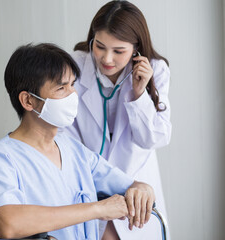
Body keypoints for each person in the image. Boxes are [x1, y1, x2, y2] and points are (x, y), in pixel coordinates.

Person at [0, 43, 155, 240]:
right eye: (61, 88)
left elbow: (130, 185)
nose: (73, 95)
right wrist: (98, 209)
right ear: (28, 101)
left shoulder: (72, 148)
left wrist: (143, 190)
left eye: (72, 84)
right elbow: (8, 224)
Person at [63, 1, 172, 239]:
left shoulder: (156, 70)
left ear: (136, 49)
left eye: (119, 51)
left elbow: (154, 138)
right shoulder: (75, 66)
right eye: (100, 46)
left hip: (138, 188)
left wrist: (139, 95)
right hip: (90, 186)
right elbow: (66, 137)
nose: (107, 59)